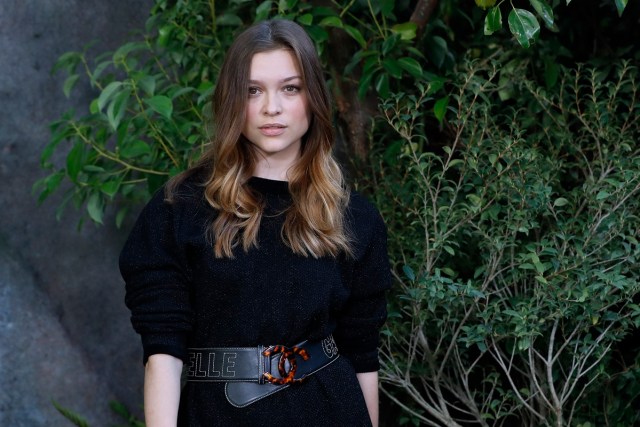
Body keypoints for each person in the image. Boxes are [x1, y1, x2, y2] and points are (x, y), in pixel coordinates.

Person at [120, 18, 391, 427]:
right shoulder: (180, 208)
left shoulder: (354, 218)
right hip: (217, 415)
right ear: (232, 100)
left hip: (331, 411)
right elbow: (163, 352)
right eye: (253, 91)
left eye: (290, 88)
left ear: (313, 96)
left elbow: (362, 352)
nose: (272, 108)